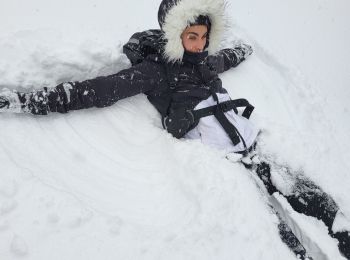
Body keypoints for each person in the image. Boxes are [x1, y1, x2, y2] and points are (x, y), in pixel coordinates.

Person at [1, 0, 349, 258]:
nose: (198, 44)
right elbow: (91, 91)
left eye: (203, 37)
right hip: (223, 166)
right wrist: (24, 101)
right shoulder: (154, 72)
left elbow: (227, 57)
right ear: (174, 36)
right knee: (275, 235)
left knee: (319, 204)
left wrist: (244, 49)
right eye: (191, 36)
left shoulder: (206, 60)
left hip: (253, 145)